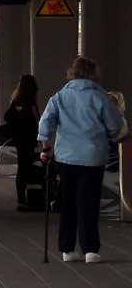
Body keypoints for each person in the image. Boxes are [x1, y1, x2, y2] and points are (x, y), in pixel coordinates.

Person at [39, 58, 123, 263]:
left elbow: (45, 125)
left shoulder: (60, 97)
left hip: (66, 157)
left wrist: (47, 148)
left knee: (67, 201)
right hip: (93, 157)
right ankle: (90, 250)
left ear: (72, 74)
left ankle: (67, 249)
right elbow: (115, 127)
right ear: (94, 74)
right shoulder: (101, 98)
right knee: (89, 202)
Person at [2, 75, 40, 208]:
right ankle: (31, 197)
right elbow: (37, 121)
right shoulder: (31, 102)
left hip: (18, 139)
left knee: (21, 167)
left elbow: (7, 116)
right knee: (28, 167)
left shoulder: (16, 101)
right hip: (29, 139)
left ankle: (21, 199)